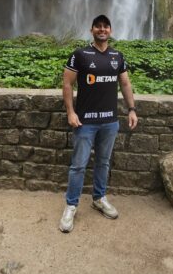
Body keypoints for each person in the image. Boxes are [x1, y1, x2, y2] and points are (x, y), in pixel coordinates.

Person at [59, 14, 138, 233]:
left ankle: (99, 198)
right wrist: (70, 112)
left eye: (106, 27)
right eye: (98, 26)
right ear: (92, 30)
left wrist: (132, 109)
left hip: (110, 121)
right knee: (78, 165)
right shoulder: (80, 54)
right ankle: (71, 205)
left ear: (110, 30)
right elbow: (67, 84)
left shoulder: (117, 56)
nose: (102, 30)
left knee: (103, 162)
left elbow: (125, 83)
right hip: (85, 122)